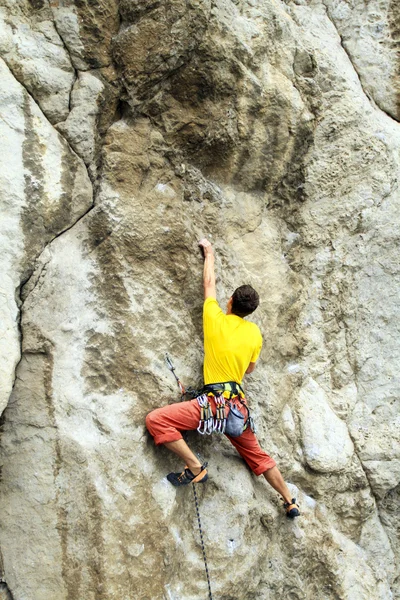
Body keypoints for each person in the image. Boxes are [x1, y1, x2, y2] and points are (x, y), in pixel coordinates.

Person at [146, 238, 300, 518]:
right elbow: (249, 370)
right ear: (251, 312)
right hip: (237, 408)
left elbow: (208, 285)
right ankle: (289, 501)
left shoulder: (215, 318)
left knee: (156, 420)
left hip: (212, 406)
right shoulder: (254, 334)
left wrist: (209, 252)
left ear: (230, 301)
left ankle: (195, 467)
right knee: (258, 456)